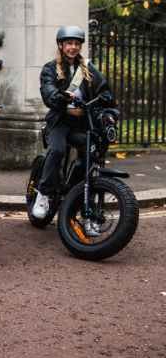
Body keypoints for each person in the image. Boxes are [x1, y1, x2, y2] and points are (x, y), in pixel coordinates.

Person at [32, 25, 114, 229]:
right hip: (60, 121)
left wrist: (107, 101)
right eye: (69, 43)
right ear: (61, 45)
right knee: (57, 150)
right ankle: (43, 193)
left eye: (77, 44)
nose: (73, 47)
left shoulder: (87, 68)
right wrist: (59, 96)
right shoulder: (50, 68)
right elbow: (48, 91)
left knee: (91, 153)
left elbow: (104, 90)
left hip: (80, 124)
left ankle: (77, 197)